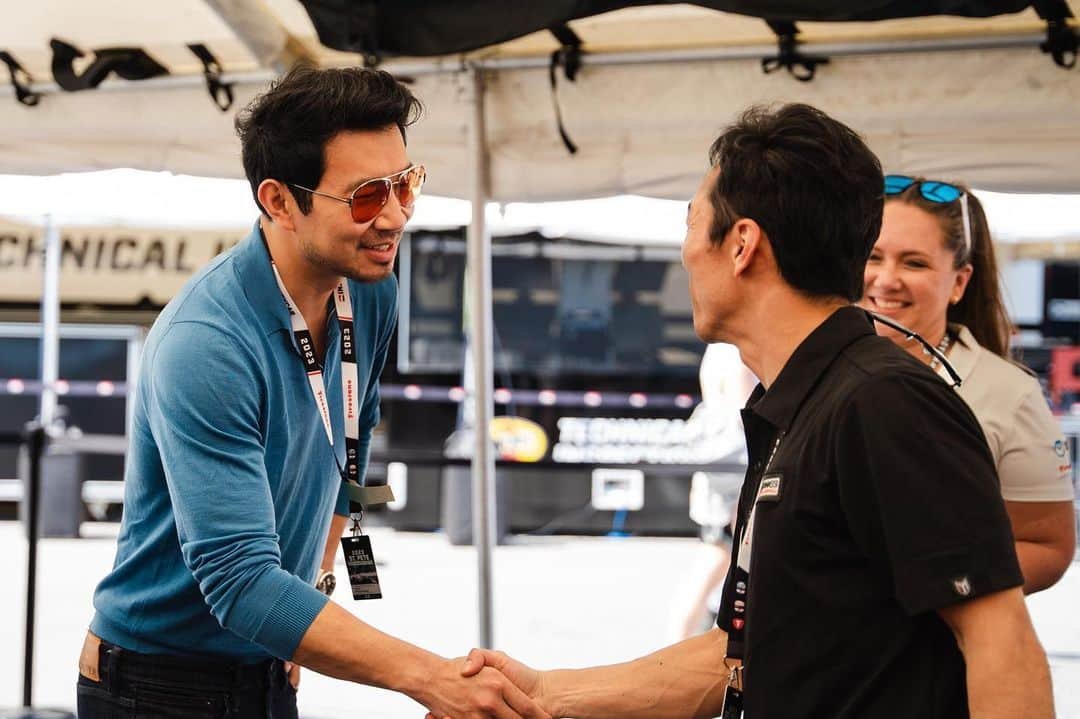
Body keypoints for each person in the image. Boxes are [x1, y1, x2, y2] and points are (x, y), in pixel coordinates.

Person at [450, 103, 1054, 719]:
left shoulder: (882, 402)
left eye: (691, 225)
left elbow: (999, 639)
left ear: (742, 244)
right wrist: (547, 695)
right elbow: (741, 654)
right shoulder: (804, 400)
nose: (685, 253)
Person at [77, 65, 548, 719]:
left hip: (268, 669)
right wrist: (432, 677)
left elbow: (351, 446)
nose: (395, 217)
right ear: (277, 201)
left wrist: (313, 588)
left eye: (405, 185)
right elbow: (240, 582)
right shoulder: (207, 341)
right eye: (365, 197)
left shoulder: (373, 288)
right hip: (157, 685)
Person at [861, 176, 1076, 593]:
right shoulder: (812, 369)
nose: (886, 279)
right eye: (872, 257)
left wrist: (924, 589)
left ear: (959, 281)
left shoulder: (1006, 393)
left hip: (935, 650)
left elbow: (1048, 546)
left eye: (914, 262)